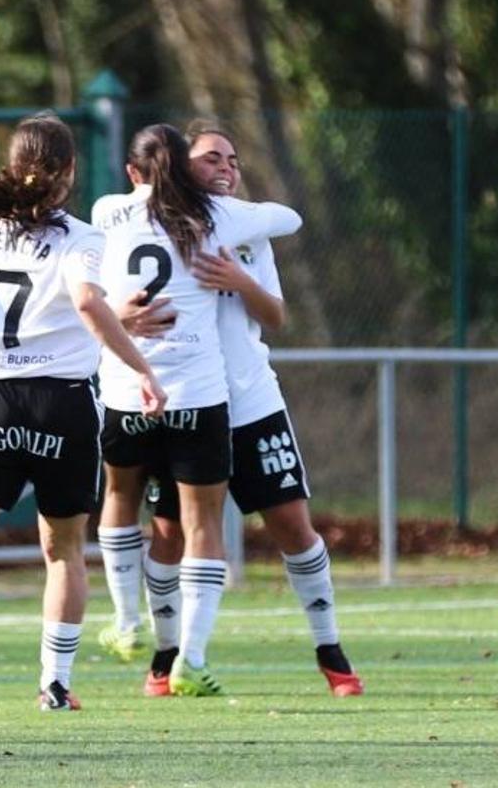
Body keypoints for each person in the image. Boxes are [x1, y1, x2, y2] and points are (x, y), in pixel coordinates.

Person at [0, 113, 166, 711]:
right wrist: (142, 371)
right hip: (63, 405)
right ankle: (55, 683)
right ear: (69, 171)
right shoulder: (82, 238)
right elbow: (87, 304)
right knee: (64, 551)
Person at [136, 121, 363, 698]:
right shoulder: (148, 228)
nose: (227, 168)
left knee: (291, 525)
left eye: (234, 159)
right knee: (168, 535)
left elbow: (276, 317)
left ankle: (330, 648)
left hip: (250, 403)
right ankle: (167, 656)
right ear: (182, 167)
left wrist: (240, 280)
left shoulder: (244, 231)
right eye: (213, 158)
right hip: (184, 404)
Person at [91, 123, 303, 697]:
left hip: (126, 390)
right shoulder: (219, 217)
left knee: (119, 500)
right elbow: (289, 218)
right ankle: (192, 658)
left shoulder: (109, 211)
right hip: (198, 395)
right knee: (201, 524)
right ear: (184, 169)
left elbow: (88, 296)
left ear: (133, 172)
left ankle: (128, 623)